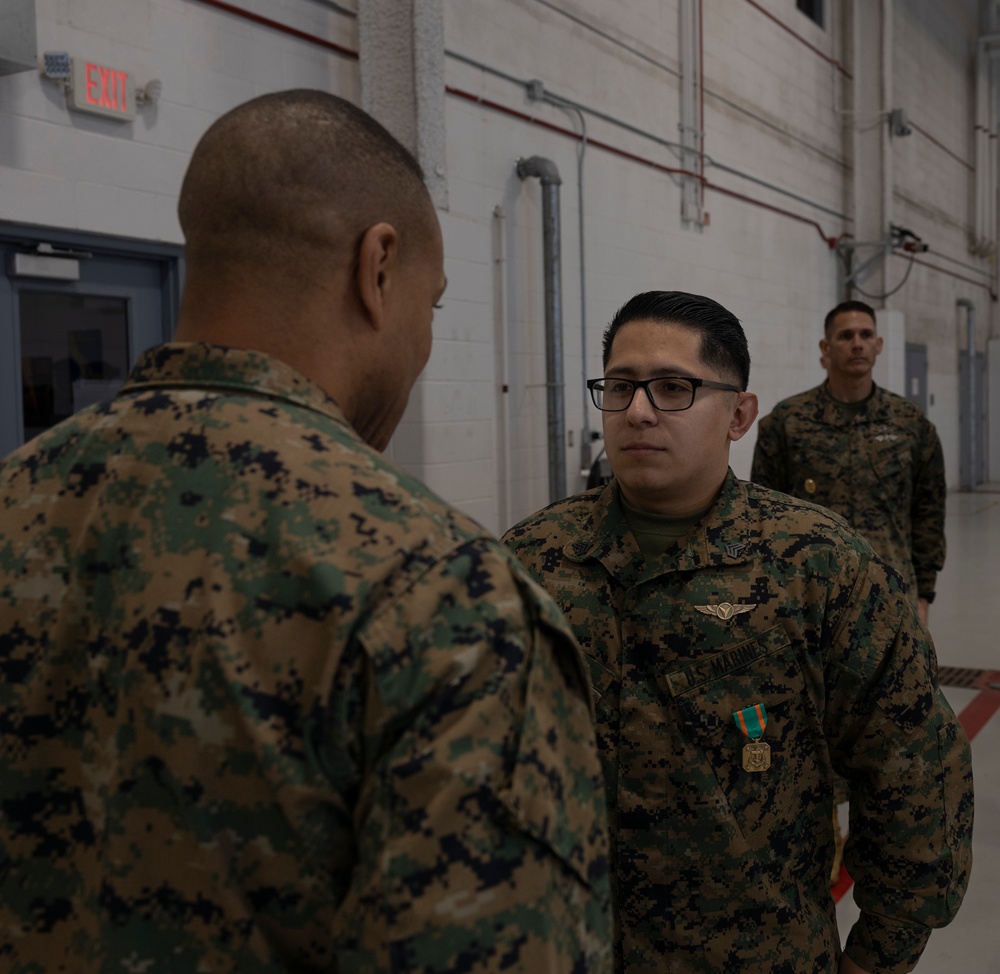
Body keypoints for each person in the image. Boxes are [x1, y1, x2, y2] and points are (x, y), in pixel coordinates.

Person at [0, 91, 612, 973]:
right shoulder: (438, 589)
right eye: (432, 309)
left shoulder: (19, 499)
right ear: (378, 267)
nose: (424, 345)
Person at [502, 291, 973, 974]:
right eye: (620, 386)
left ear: (740, 414)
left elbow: (914, 771)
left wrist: (879, 954)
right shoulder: (531, 562)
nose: (637, 410)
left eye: (672, 388)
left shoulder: (822, 567)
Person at [751, 300, 946, 626]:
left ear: (878, 344)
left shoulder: (910, 424)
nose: (857, 343)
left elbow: (929, 512)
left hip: (890, 591)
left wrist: (924, 594)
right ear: (826, 346)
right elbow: (765, 514)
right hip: (809, 595)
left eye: (866, 334)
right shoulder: (787, 422)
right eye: (845, 336)